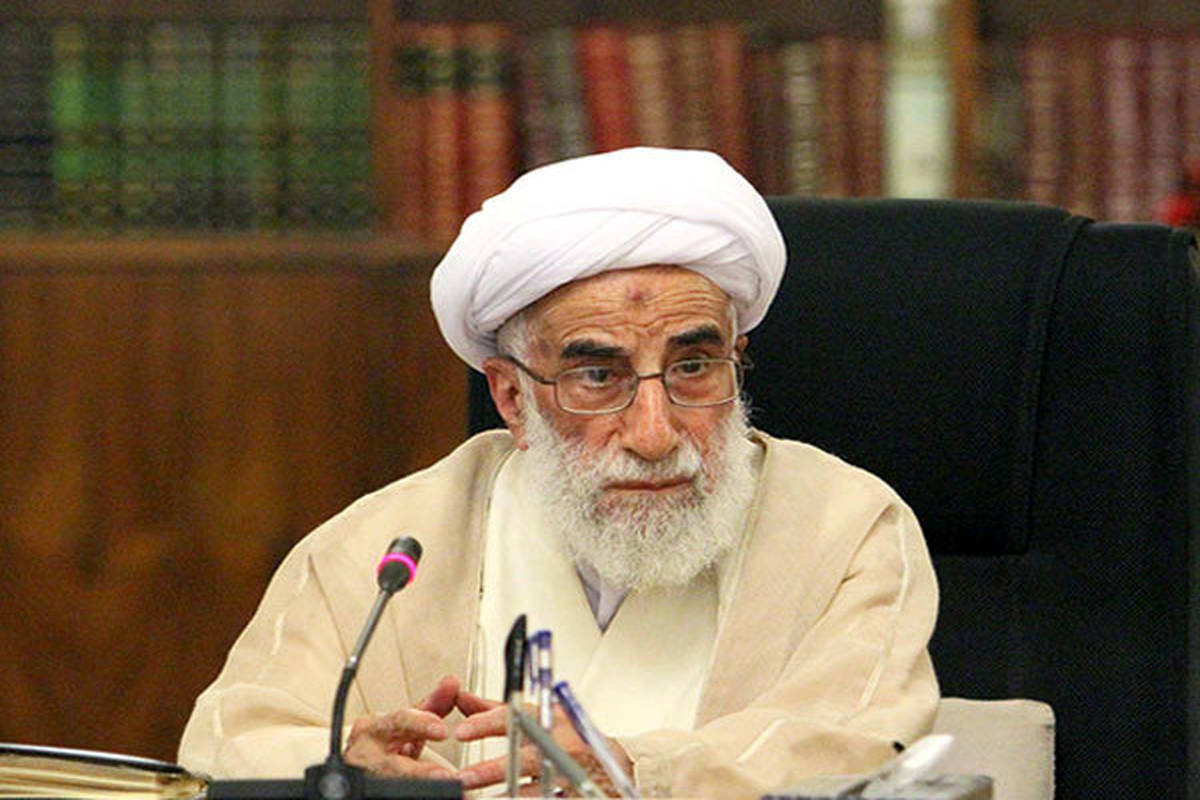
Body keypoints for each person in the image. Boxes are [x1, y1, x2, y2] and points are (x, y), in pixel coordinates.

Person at [178, 147, 939, 798]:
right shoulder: (386, 552)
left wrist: (633, 771)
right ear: (512, 397)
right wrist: (342, 773)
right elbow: (227, 746)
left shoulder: (845, 528)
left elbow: (860, 749)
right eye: (598, 377)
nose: (654, 435)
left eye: (694, 367)